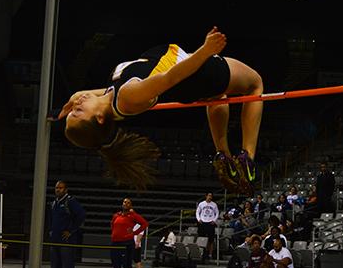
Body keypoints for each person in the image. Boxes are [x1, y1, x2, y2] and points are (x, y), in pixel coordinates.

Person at [56, 27, 263, 195]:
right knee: (255, 85)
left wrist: (76, 98)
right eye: (79, 112)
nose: (77, 105)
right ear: (99, 118)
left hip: (194, 77)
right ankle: (248, 156)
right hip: (199, 72)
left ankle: (224, 155)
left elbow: (90, 95)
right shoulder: (128, 97)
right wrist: (205, 51)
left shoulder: (112, 99)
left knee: (217, 97)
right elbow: (168, 78)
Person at [44, 181, 85, 268]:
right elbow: (51, 219)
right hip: (55, 240)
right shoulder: (54, 203)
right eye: (56, 188)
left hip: (66, 241)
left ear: (66, 190)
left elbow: (81, 215)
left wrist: (71, 230)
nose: (58, 190)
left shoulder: (70, 201)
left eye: (60, 188)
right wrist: (51, 230)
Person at [108, 198, 148, 268]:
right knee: (116, 265)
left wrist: (134, 233)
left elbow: (145, 224)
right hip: (115, 243)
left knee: (127, 266)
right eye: (124, 202)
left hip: (127, 243)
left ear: (131, 206)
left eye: (128, 203)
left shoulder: (133, 216)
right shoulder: (116, 215)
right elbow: (112, 225)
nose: (126, 203)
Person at [196, 192, 219, 259]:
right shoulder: (201, 204)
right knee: (201, 238)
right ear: (206, 196)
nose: (210, 197)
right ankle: (202, 253)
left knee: (211, 240)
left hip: (210, 223)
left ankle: (210, 254)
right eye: (209, 195)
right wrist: (199, 219)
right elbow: (197, 212)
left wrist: (214, 220)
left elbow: (217, 213)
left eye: (211, 196)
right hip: (202, 222)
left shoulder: (214, 204)